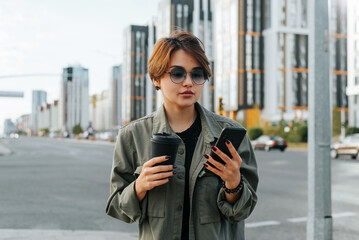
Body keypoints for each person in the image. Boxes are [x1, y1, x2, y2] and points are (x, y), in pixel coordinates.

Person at [106, 31, 258, 240]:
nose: (188, 82)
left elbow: (243, 211)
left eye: (197, 74)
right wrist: (140, 186)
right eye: (177, 74)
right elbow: (118, 207)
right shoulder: (132, 135)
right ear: (156, 78)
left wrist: (234, 184)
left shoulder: (231, 135)